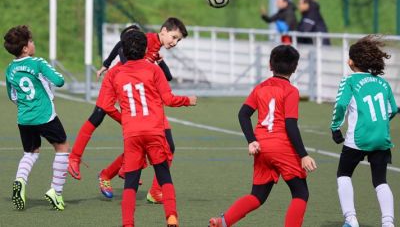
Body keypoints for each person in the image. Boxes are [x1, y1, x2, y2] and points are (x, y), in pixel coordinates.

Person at [68, 18, 187, 203]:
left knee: (162, 144)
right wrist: (108, 65)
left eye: (178, 40)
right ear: (163, 31)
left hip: (140, 98)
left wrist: (159, 62)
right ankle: (75, 158)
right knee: (99, 115)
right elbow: (121, 45)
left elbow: (167, 77)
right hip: (119, 84)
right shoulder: (146, 39)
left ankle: (138, 184)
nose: (174, 42)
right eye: (174, 37)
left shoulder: (156, 51)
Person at [209, 45, 317, 227]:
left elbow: (243, 114)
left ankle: (223, 221)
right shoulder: (291, 91)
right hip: (282, 147)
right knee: (300, 193)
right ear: (295, 67)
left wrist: (251, 141)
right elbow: (290, 125)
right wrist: (303, 155)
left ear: (270, 65)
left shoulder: (260, 88)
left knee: (257, 196)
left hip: (262, 146)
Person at [108, 28, 196, 227]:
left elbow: (105, 105)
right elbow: (168, 99)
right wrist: (187, 100)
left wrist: (125, 119)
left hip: (132, 133)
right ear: (145, 48)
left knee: (130, 182)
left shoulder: (115, 73)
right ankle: (171, 216)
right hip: (155, 130)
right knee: (164, 175)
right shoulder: (154, 69)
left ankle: (128, 223)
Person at [331, 35, 398, 227]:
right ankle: (388, 223)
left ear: (351, 62)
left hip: (358, 139)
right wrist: (381, 122)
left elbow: (341, 104)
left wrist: (335, 127)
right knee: (380, 181)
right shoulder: (383, 83)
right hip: (382, 139)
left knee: (343, 175)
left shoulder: (349, 81)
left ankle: (351, 219)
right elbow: (393, 109)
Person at [4, 25, 69, 211]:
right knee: (62, 147)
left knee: (30, 153)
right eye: (31, 41)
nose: (33, 44)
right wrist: (47, 79)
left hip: (24, 119)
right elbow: (59, 80)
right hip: (45, 116)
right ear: (25, 48)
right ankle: (56, 192)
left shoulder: (10, 69)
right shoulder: (37, 62)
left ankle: (20, 180)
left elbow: (13, 96)